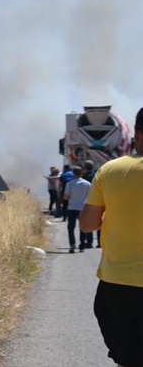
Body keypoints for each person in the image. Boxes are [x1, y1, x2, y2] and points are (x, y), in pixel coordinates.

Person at [80, 107, 143, 367]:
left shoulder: (109, 170)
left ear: (137, 135)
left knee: (128, 358)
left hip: (120, 284)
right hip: (119, 283)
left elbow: (87, 225)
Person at [63, 166, 90, 253]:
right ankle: (82, 245)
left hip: (72, 207)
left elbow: (65, 197)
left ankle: (72, 244)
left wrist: (70, 198)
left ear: (73, 173)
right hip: (83, 208)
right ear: (81, 173)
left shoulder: (70, 183)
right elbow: (90, 196)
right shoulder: (87, 184)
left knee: (71, 228)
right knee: (82, 227)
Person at [83, 160, 98, 247]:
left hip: (89, 200)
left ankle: (89, 242)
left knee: (88, 221)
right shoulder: (95, 175)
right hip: (97, 200)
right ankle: (99, 242)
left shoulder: (86, 177)